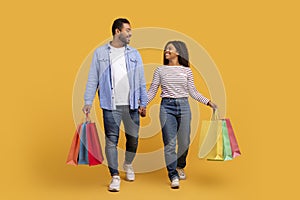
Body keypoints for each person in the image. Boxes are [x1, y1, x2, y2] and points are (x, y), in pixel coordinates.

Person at [82, 18, 147, 192]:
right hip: (110, 105)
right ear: (117, 32)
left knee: (133, 139)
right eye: (127, 30)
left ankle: (127, 164)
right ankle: (115, 176)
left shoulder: (134, 54)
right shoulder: (100, 53)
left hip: (132, 104)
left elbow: (141, 79)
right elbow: (92, 78)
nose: (130, 33)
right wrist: (88, 101)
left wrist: (144, 102)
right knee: (112, 140)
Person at [147, 40, 217, 189]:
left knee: (184, 141)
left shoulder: (187, 71)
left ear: (178, 52)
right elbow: (152, 91)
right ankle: (173, 175)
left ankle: (180, 166)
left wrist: (208, 102)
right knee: (170, 143)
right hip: (167, 107)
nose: (166, 51)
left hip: (184, 106)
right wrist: (142, 104)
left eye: (169, 49)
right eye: (166, 49)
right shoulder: (160, 70)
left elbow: (193, 92)